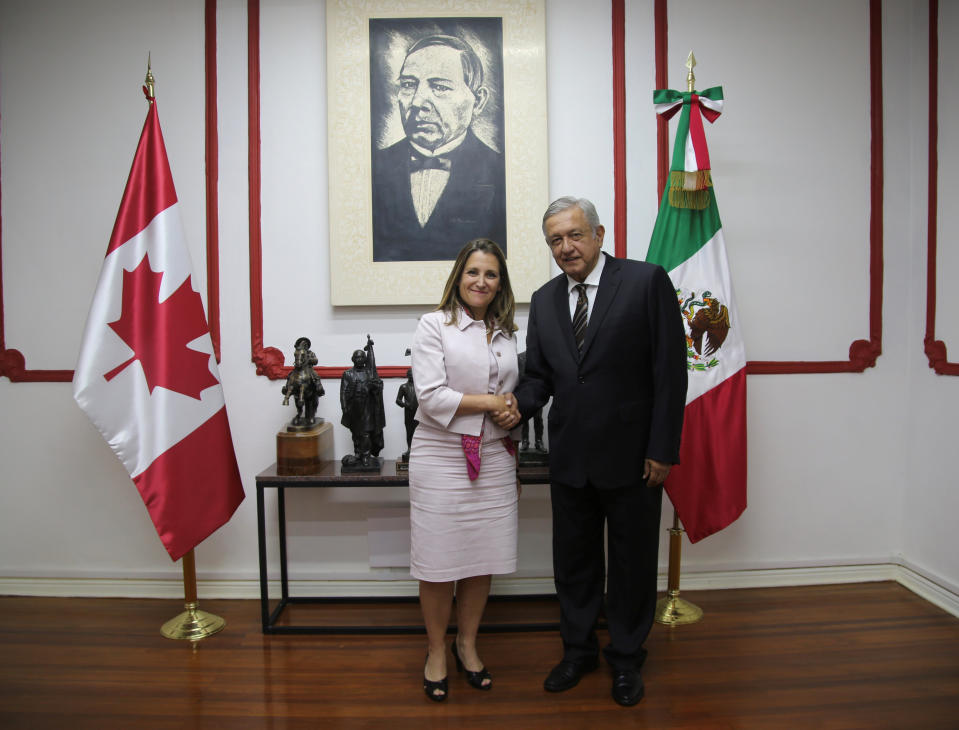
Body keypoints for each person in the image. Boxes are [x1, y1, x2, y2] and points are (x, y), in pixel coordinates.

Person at [497, 197, 687, 707]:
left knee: (630, 563)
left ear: (599, 234)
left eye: (574, 235)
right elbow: (540, 376)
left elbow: (670, 374)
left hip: (634, 458)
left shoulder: (646, 282)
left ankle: (625, 657)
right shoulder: (544, 300)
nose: (566, 247)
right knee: (574, 563)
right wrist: (516, 404)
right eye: (555, 240)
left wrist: (662, 448)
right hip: (572, 458)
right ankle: (577, 651)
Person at [408, 238, 522, 701]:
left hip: (494, 456)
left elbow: (511, 389)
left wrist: (511, 407)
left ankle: (467, 643)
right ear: (459, 277)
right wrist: (494, 402)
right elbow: (430, 396)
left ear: (500, 284)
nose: (481, 281)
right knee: (438, 562)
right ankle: (436, 650)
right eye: (473, 272)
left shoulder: (508, 331)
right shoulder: (433, 325)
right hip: (441, 455)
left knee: (481, 558)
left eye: (491, 274)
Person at [372, 35, 507, 262]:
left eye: (440, 87)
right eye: (408, 85)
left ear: (479, 100)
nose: (417, 102)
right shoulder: (373, 169)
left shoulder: (501, 171)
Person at [339, 341, 386, 468]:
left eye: (361, 357)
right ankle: (358, 453)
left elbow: (378, 386)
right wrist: (344, 408)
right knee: (355, 433)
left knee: (365, 433)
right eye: (357, 357)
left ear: (365, 359)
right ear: (353, 359)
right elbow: (343, 392)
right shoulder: (347, 374)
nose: (359, 359)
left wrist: (373, 386)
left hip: (367, 409)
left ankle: (366, 455)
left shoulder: (369, 373)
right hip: (353, 409)